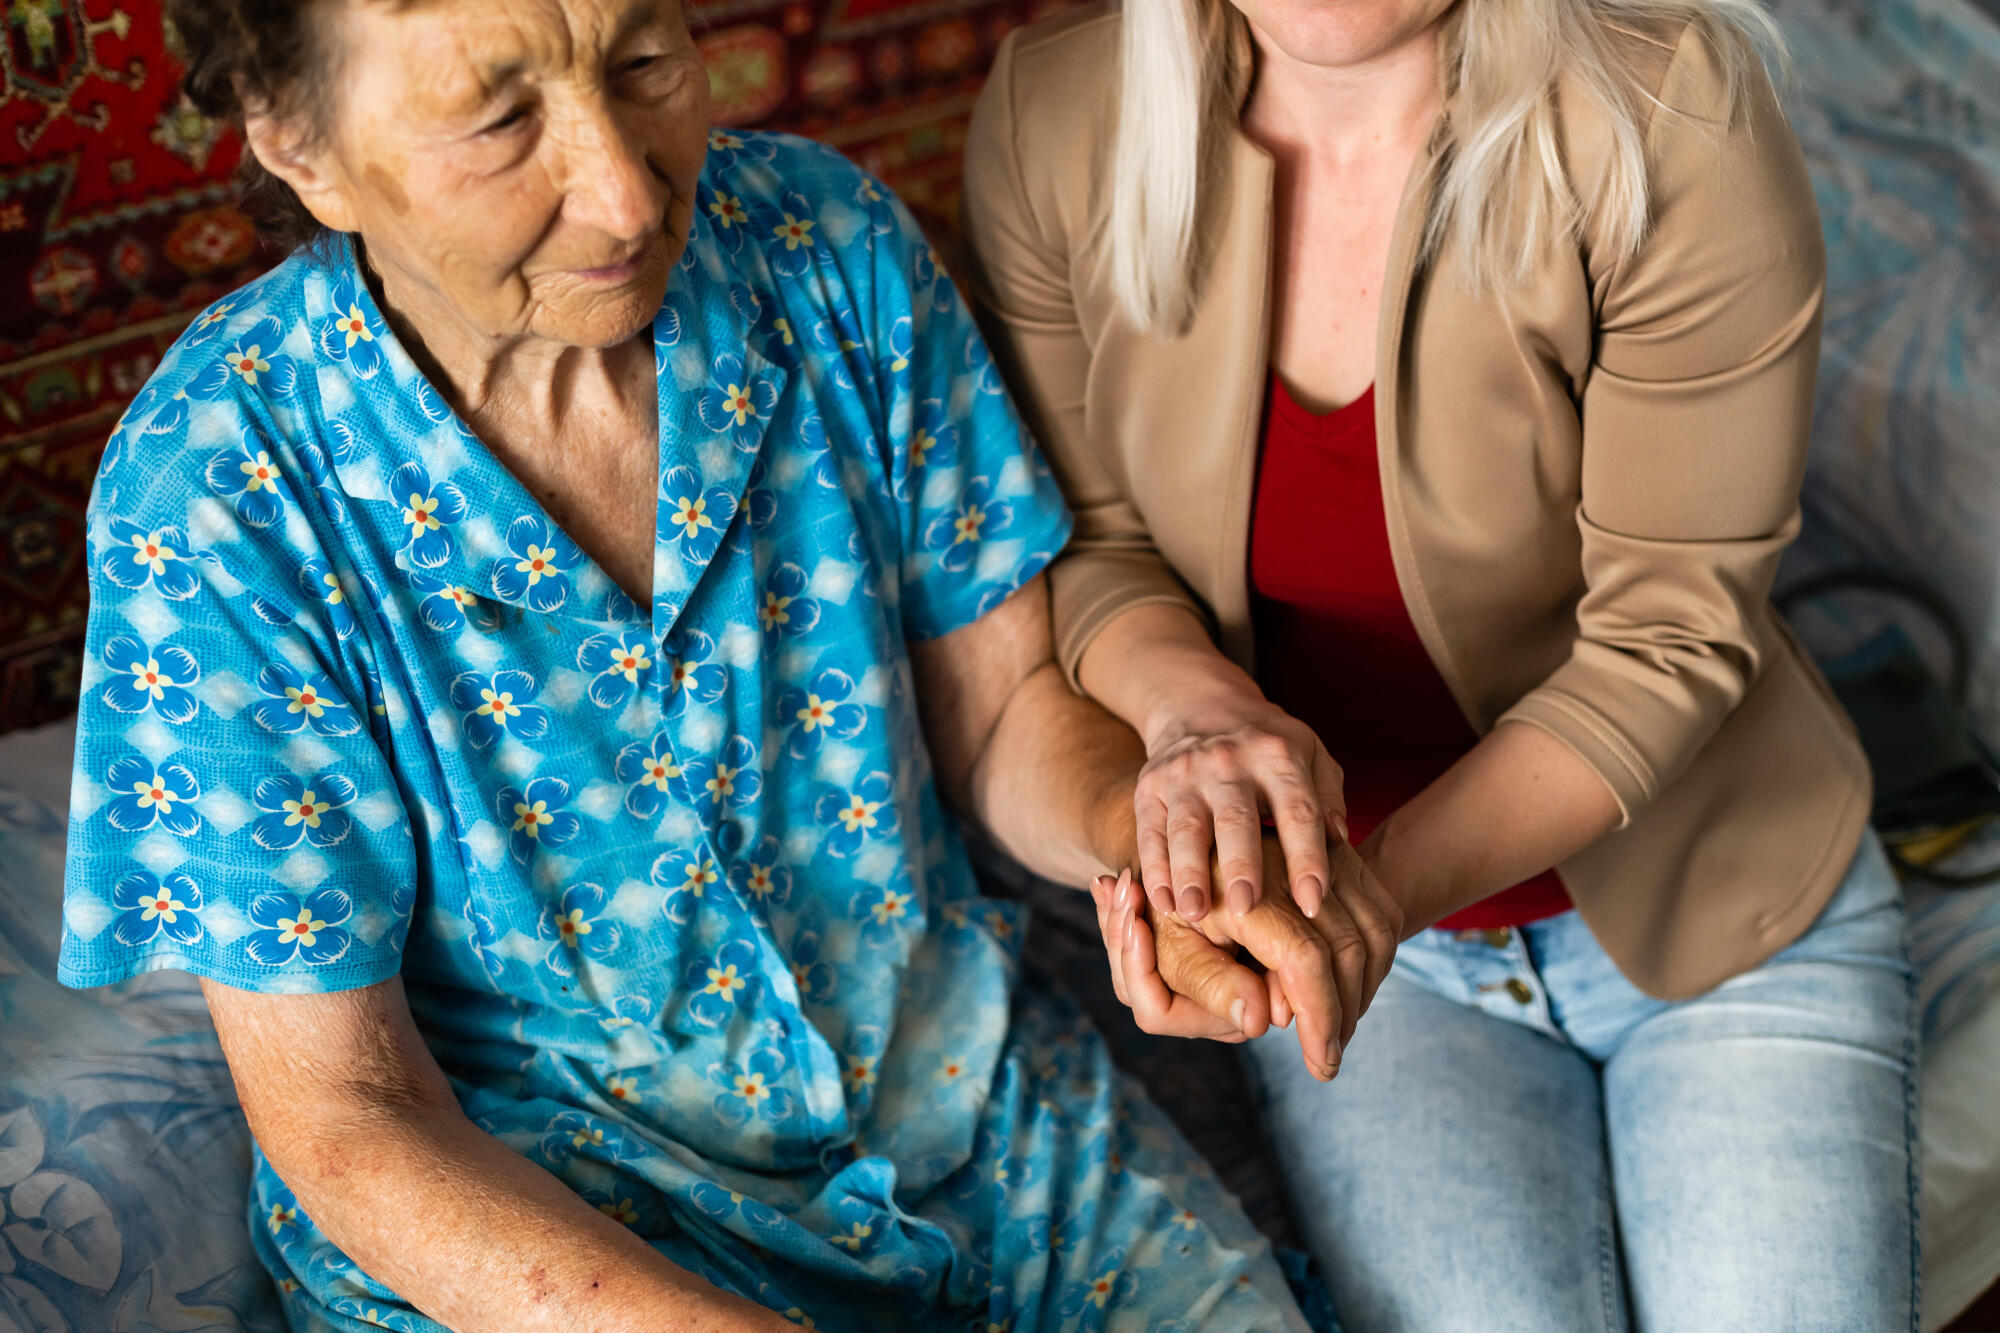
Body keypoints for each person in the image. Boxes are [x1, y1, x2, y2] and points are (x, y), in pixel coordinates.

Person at [56, 1, 1337, 1328]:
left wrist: (1151, 839)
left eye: (647, 65)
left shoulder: (823, 245)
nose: (624, 196)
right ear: (298, 145)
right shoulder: (216, 489)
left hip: (968, 1112)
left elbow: (1004, 707)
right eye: (502, 123)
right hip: (559, 1233)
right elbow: (349, 1116)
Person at [961, 1, 1919, 1329]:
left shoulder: (1672, 111)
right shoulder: (1053, 114)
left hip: (1716, 903)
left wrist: (1359, 904)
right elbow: (1100, 541)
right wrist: (1204, 719)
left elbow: (1668, 637)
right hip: (1392, 976)